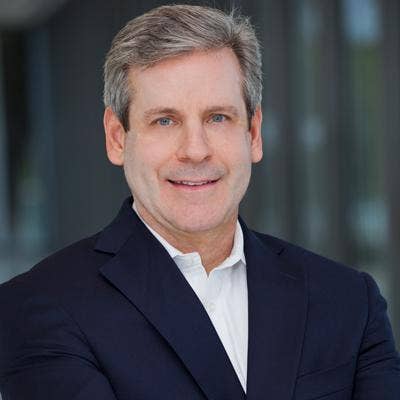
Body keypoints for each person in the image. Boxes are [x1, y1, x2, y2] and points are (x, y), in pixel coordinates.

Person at [0, 4, 399, 399]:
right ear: (117, 137)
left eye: (218, 118)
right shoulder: (41, 306)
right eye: (165, 121)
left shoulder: (349, 302)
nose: (195, 150)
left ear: (253, 133)